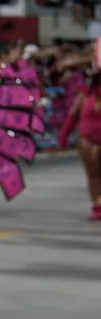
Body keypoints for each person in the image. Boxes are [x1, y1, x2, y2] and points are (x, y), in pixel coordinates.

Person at [58, 37, 101, 220]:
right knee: (93, 174)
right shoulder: (86, 94)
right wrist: (64, 135)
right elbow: (73, 115)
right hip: (87, 137)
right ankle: (97, 205)